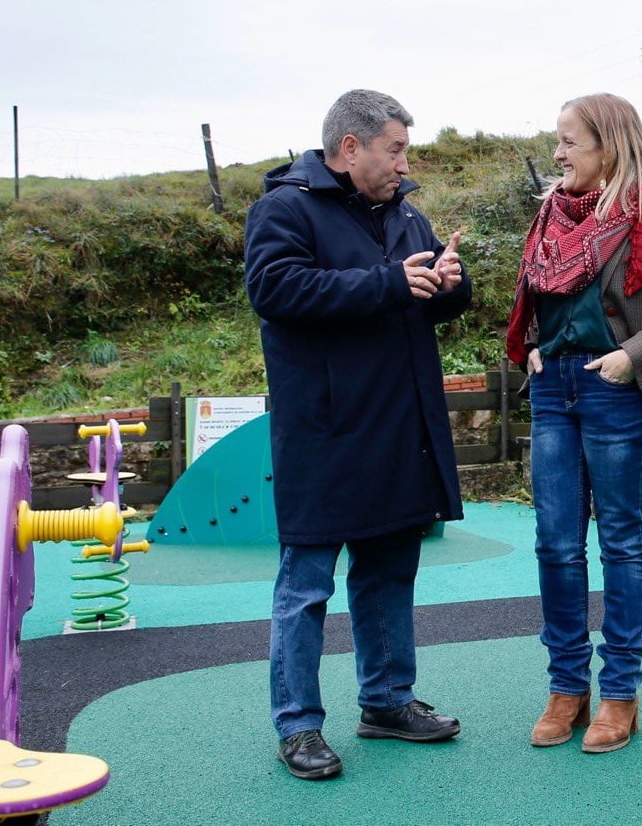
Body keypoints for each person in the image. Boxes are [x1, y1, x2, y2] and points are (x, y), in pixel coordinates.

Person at [244, 89, 471, 780]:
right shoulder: (283, 207)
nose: (406, 163)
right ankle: (298, 726)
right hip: (325, 433)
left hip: (400, 428)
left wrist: (449, 283)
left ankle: (387, 702)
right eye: (396, 148)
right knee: (307, 584)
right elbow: (277, 290)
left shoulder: (406, 214)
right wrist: (387, 282)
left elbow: (418, 297)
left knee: (389, 572)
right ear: (351, 148)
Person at [506, 93, 642, 754]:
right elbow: (543, 296)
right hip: (554, 388)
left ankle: (620, 691)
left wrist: (633, 356)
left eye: (570, 141)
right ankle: (567, 688)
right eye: (558, 141)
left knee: (620, 543)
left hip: (618, 389)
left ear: (609, 145)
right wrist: (537, 339)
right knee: (556, 544)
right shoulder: (550, 212)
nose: (558, 153)